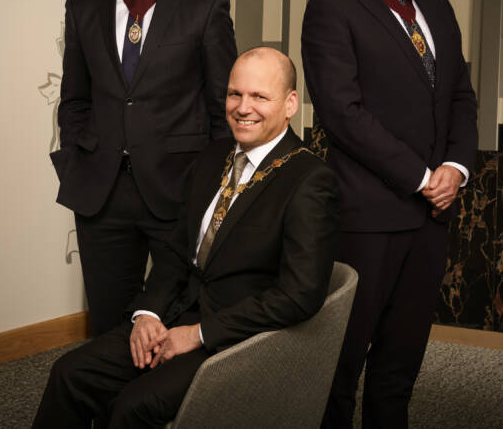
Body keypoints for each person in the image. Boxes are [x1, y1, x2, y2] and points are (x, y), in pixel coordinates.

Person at [33, 47, 338, 428]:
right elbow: (176, 250)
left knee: (132, 406)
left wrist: (199, 334)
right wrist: (148, 314)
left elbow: (299, 295)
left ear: (290, 103)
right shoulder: (212, 157)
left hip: (238, 338)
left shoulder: (310, 180)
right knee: (70, 373)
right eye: (234, 94)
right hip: (173, 314)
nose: (243, 107)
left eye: (259, 96)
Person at [301, 0, 478, 428]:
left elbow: (459, 98)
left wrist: (456, 168)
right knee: (340, 367)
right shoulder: (331, 9)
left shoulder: (438, 8)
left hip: (432, 216)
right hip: (367, 218)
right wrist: (422, 175)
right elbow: (342, 113)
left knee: (400, 368)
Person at [50, 0, 237, 336]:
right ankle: (108, 409)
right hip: (101, 193)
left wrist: (211, 185)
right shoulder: (83, 5)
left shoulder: (205, 4)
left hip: (180, 189)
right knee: (110, 323)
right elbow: (74, 99)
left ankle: (162, 409)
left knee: (180, 314)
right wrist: (78, 159)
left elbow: (222, 106)